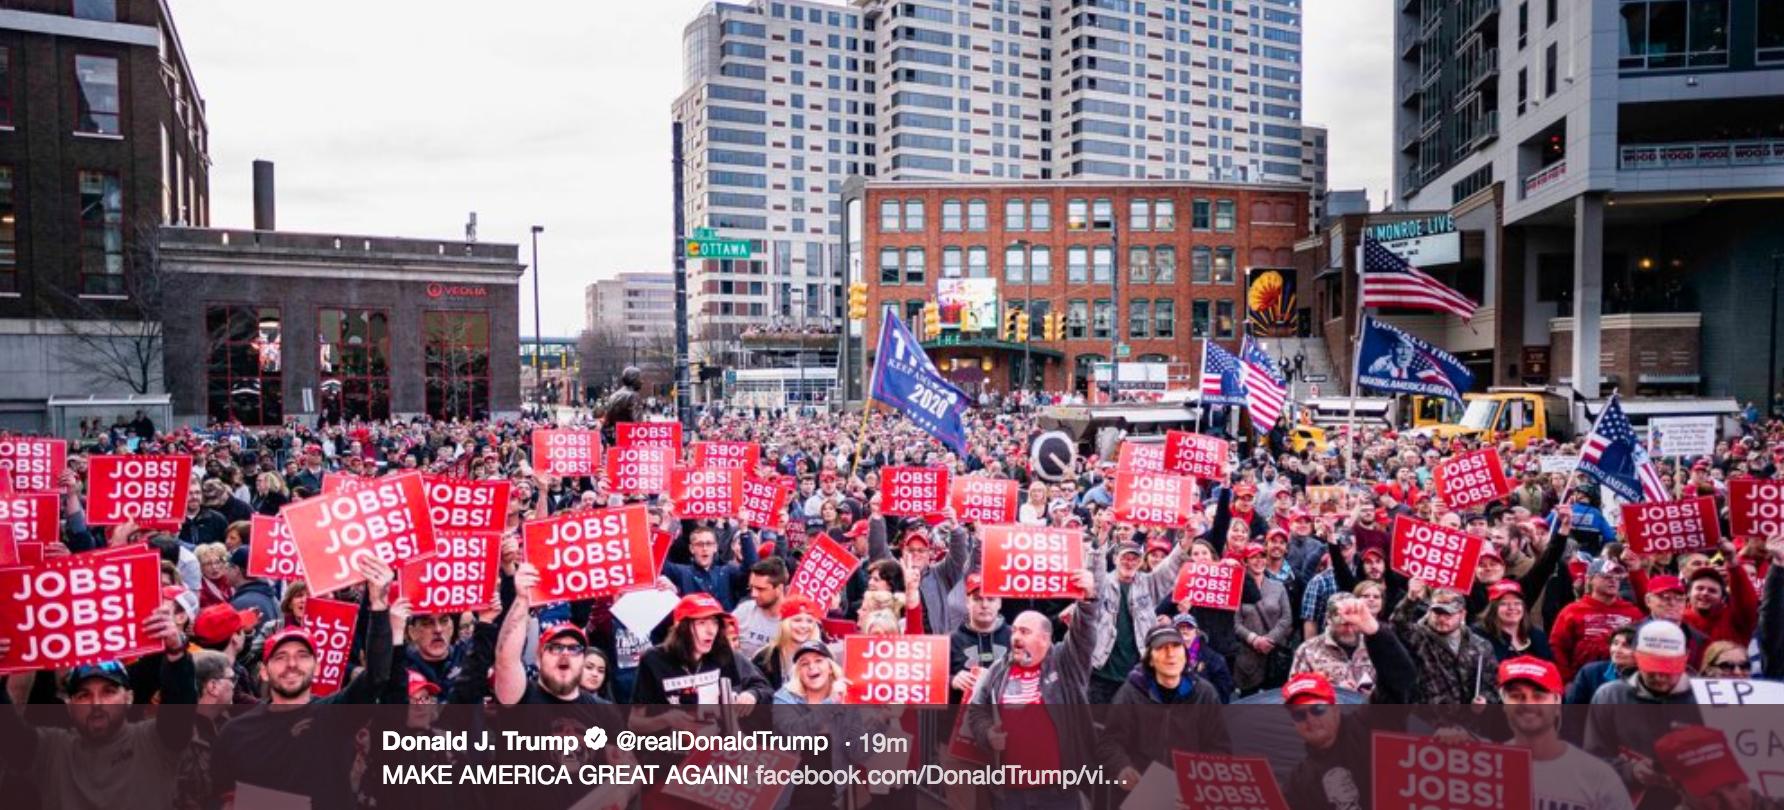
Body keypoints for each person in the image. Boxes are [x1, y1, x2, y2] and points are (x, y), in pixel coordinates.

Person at [208, 558, 400, 810]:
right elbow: (218, 795)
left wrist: (378, 605)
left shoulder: (335, 715)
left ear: (317, 667)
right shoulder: (235, 732)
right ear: (264, 671)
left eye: (302, 656)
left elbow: (377, 676)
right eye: (280, 657)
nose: (292, 664)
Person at [0, 602, 194, 810]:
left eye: (108, 692)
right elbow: (9, 734)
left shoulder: (155, 742)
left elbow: (179, 710)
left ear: (129, 697)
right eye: (84, 695)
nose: (96, 703)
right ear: (69, 705)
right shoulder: (51, 751)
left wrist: (176, 653)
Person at [965, 565, 1101, 810]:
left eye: (1025, 632)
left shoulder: (1066, 663)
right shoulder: (998, 670)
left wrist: (1088, 598)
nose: (1016, 637)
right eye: (1015, 630)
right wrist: (987, 734)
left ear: (1045, 639)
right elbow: (977, 709)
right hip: (1010, 793)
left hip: (1058, 792)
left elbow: (1084, 635)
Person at [1587, 621, 1704, 808]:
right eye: (1652, 668)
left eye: (1668, 668)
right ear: (1636, 657)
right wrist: (1631, 771)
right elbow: (1592, 760)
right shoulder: (1610, 696)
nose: (1659, 677)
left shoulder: (1706, 697)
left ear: (1686, 658)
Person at [1100, 625, 1228, 791]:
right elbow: (1110, 742)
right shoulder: (1130, 694)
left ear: (1185, 655)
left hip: (1192, 787)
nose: (1170, 654)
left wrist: (1201, 780)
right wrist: (1122, 768)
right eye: (1161, 648)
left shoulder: (1205, 694)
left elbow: (1221, 748)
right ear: (1150, 659)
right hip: (1144, 787)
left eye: (1176, 646)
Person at [1499, 656, 1635, 810]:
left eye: (1538, 695)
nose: (1528, 704)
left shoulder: (1598, 777)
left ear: (1557, 702)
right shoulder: (1487, 770)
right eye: (1516, 696)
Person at [1090, 534, 1186, 703]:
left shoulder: (1148, 583)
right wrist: (1102, 537)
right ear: (1115, 559)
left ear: (1141, 562)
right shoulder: (1102, 583)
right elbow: (1093, 570)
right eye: (1124, 557)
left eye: (1134, 559)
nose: (1129, 562)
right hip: (1101, 672)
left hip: (1137, 675)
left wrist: (1187, 539)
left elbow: (1170, 566)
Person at [630, 593, 772, 707]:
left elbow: (764, 688)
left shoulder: (724, 654)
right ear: (681, 627)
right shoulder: (654, 659)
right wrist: (668, 718)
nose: (711, 631)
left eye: (715, 623)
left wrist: (751, 695)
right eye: (701, 623)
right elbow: (635, 721)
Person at [1552, 557, 1646, 681]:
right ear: (1590, 580)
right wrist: (1566, 680)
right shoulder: (1572, 611)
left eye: (1617, 577)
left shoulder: (1632, 612)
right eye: (1606, 576)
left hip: (1625, 680)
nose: (1613, 581)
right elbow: (1557, 647)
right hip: (1583, 681)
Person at [948, 573, 1009, 704]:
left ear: (1000, 602)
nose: (984, 605)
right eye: (977, 599)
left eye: (991, 599)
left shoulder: (1015, 637)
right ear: (967, 602)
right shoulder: (950, 641)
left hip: (1005, 714)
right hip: (962, 714)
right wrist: (952, 680)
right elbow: (932, 679)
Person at [731, 557, 789, 659]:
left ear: (779, 589)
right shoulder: (743, 611)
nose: (753, 594)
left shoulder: (794, 620)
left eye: (760, 589)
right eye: (751, 588)